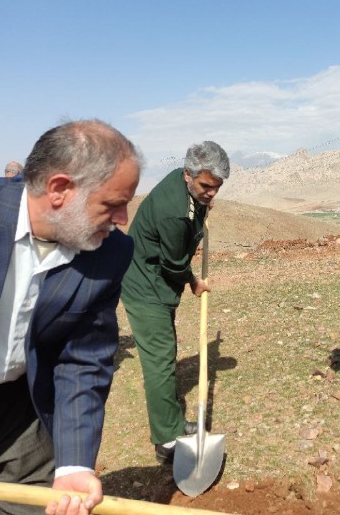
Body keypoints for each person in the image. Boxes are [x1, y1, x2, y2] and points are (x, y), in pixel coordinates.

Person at [0, 120, 142, 515]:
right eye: (112, 204)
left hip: (18, 418)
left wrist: (75, 464)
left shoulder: (109, 252)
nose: (122, 219)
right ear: (59, 189)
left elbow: (84, 359)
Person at [120, 141, 230, 465]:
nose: (211, 193)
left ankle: (171, 420)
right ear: (188, 175)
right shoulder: (174, 213)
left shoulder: (186, 191)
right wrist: (194, 282)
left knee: (165, 354)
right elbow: (173, 263)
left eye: (217, 188)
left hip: (152, 279)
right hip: (145, 285)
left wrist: (203, 207)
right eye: (206, 187)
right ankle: (166, 440)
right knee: (160, 361)